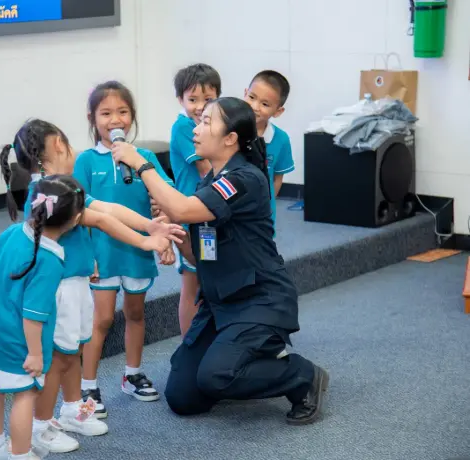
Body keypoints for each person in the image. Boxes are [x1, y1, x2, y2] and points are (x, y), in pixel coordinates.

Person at [111, 96, 330, 425]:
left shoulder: (243, 178)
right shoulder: (209, 183)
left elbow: (183, 208)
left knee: (216, 376)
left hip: (259, 300)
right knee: (183, 397)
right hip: (222, 303)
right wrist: (173, 231)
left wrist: (142, 164)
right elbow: (200, 255)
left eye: (206, 122)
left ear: (230, 138)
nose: (196, 130)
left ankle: (302, 375)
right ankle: (244, 359)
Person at [0, 119, 183, 453]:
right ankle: (40, 426)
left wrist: (148, 227)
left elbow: (105, 211)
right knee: (59, 359)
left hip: (76, 281)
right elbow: (102, 218)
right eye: (69, 145)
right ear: (58, 145)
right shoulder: (50, 193)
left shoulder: (60, 186)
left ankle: (71, 410)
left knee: (73, 351)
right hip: (59, 288)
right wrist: (146, 239)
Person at [74, 80, 176, 417]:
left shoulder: (144, 158)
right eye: (106, 113)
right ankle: (88, 385)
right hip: (102, 255)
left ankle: (132, 375)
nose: (115, 120)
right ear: (92, 118)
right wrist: (87, 257)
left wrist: (163, 227)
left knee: (135, 314)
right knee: (101, 319)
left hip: (137, 252)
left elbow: (165, 196)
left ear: (132, 116)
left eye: (122, 112)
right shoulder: (85, 161)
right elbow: (79, 213)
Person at [0, 175, 85, 460]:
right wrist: (35, 354)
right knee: (24, 397)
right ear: (75, 220)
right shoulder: (49, 260)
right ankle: (21, 455)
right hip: (19, 342)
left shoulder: (12, 232)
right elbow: (33, 316)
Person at [170, 63, 221, 336]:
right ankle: (189, 344)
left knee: (209, 277)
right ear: (180, 100)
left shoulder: (216, 125)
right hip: (191, 215)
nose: (200, 107)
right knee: (192, 282)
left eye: (208, 99)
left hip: (210, 214)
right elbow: (206, 170)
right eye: (193, 100)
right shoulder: (183, 127)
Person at [244, 70, 296, 225]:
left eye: (265, 104)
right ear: (245, 93)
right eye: (251, 97)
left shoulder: (281, 139)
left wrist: (267, 204)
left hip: (262, 214)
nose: (255, 106)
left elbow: (277, 178)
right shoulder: (229, 130)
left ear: (278, 111)